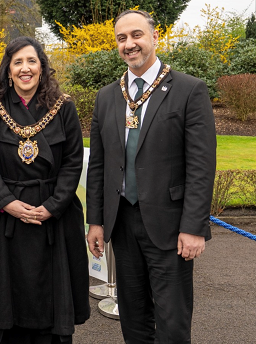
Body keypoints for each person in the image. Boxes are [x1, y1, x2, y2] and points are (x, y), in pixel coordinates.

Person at [86, 10, 217, 343]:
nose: (129, 44)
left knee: (172, 322)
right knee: (133, 319)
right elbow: (99, 166)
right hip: (123, 224)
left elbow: (201, 166)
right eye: (121, 38)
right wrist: (96, 221)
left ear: (155, 37)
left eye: (136, 35)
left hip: (170, 226)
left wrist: (193, 228)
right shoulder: (106, 97)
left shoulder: (189, 90)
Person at [0, 36, 90, 344]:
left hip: (54, 216)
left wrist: (54, 205)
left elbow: (72, 163)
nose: (25, 69)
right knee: (8, 307)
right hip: (6, 221)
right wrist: (6, 202)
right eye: (18, 62)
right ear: (8, 69)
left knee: (53, 305)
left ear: (42, 67)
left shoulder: (63, 108)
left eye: (31, 61)